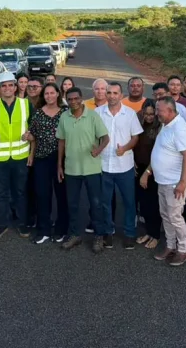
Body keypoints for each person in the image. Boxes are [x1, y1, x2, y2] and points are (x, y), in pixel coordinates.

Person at [57, 87, 109, 253]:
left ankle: (99, 236)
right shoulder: (64, 117)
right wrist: (59, 164)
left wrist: (98, 150)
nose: (73, 102)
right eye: (70, 99)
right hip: (72, 168)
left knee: (96, 204)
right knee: (72, 204)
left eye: (76, 99)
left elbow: (105, 137)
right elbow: (61, 142)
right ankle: (74, 235)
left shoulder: (92, 115)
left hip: (91, 168)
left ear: (81, 98)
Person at [0, 72, 34, 239]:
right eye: (3, 85)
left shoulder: (25, 105)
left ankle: (22, 224)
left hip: (20, 158)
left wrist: (31, 137)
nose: (7, 88)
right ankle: (2, 225)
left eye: (10, 85)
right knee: (1, 193)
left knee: (20, 192)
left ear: (15, 86)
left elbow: (34, 130)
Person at [96, 82, 143, 250]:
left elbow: (136, 137)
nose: (111, 96)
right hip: (103, 166)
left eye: (115, 93)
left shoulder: (130, 114)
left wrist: (125, 148)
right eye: (109, 92)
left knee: (129, 202)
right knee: (105, 202)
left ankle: (130, 233)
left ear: (121, 95)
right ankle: (108, 232)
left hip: (125, 167)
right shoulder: (97, 113)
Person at [150, 97, 186, 267]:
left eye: (159, 110)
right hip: (164, 180)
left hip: (175, 182)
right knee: (166, 215)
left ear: (170, 110)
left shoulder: (179, 128)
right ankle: (170, 246)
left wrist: (182, 182)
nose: (156, 113)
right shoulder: (166, 124)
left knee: (175, 216)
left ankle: (182, 250)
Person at [28, 82, 68, 244]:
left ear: (58, 94)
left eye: (52, 93)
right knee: (42, 194)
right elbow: (33, 136)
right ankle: (43, 229)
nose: (49, 96)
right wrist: (30, 146)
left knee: (62, 195)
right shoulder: (37, 114)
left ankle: (61, 229)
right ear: (43, 96)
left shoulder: (65, 113)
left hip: (62, 159)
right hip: (42, 159)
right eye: (46, 94)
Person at [135, 100, 161, 250]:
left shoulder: (159, 128)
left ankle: (155, 235)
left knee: (153, 205)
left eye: (152, 114)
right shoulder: (138, 124)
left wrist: (148, 172)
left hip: (153, 169)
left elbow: (157, 153)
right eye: (146, 114)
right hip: (139, 167)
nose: (149, 117)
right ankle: (147, 232)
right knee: (143, 204)